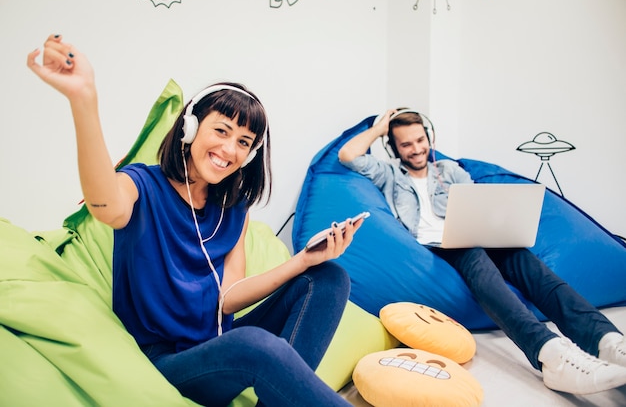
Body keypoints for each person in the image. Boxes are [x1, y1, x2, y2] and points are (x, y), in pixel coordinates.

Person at [27, 34, 362, 407]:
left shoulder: (234, 208)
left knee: (329, 278)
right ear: (190, 128)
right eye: (221, 131)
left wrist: (304, 261)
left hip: (221, 344)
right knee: (253, 346)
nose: (229, 150)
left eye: (244, 142)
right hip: (169, 361)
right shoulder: (141, 184)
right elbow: (106, 206)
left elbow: (228, 299)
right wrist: (83, 100)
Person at [338, 108, 626, 395]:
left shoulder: (450, 171)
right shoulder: (388, 173)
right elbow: (347, 156)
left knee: (529, 264)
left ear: (430, 137)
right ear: (394, 148)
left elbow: (479, 205)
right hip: (437, 244)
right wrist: (378, 129)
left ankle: (607, 341)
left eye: (420, 140)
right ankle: (549, 353)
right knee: (478, 261)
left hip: (475, 234)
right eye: (406, 144)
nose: (416, 149)